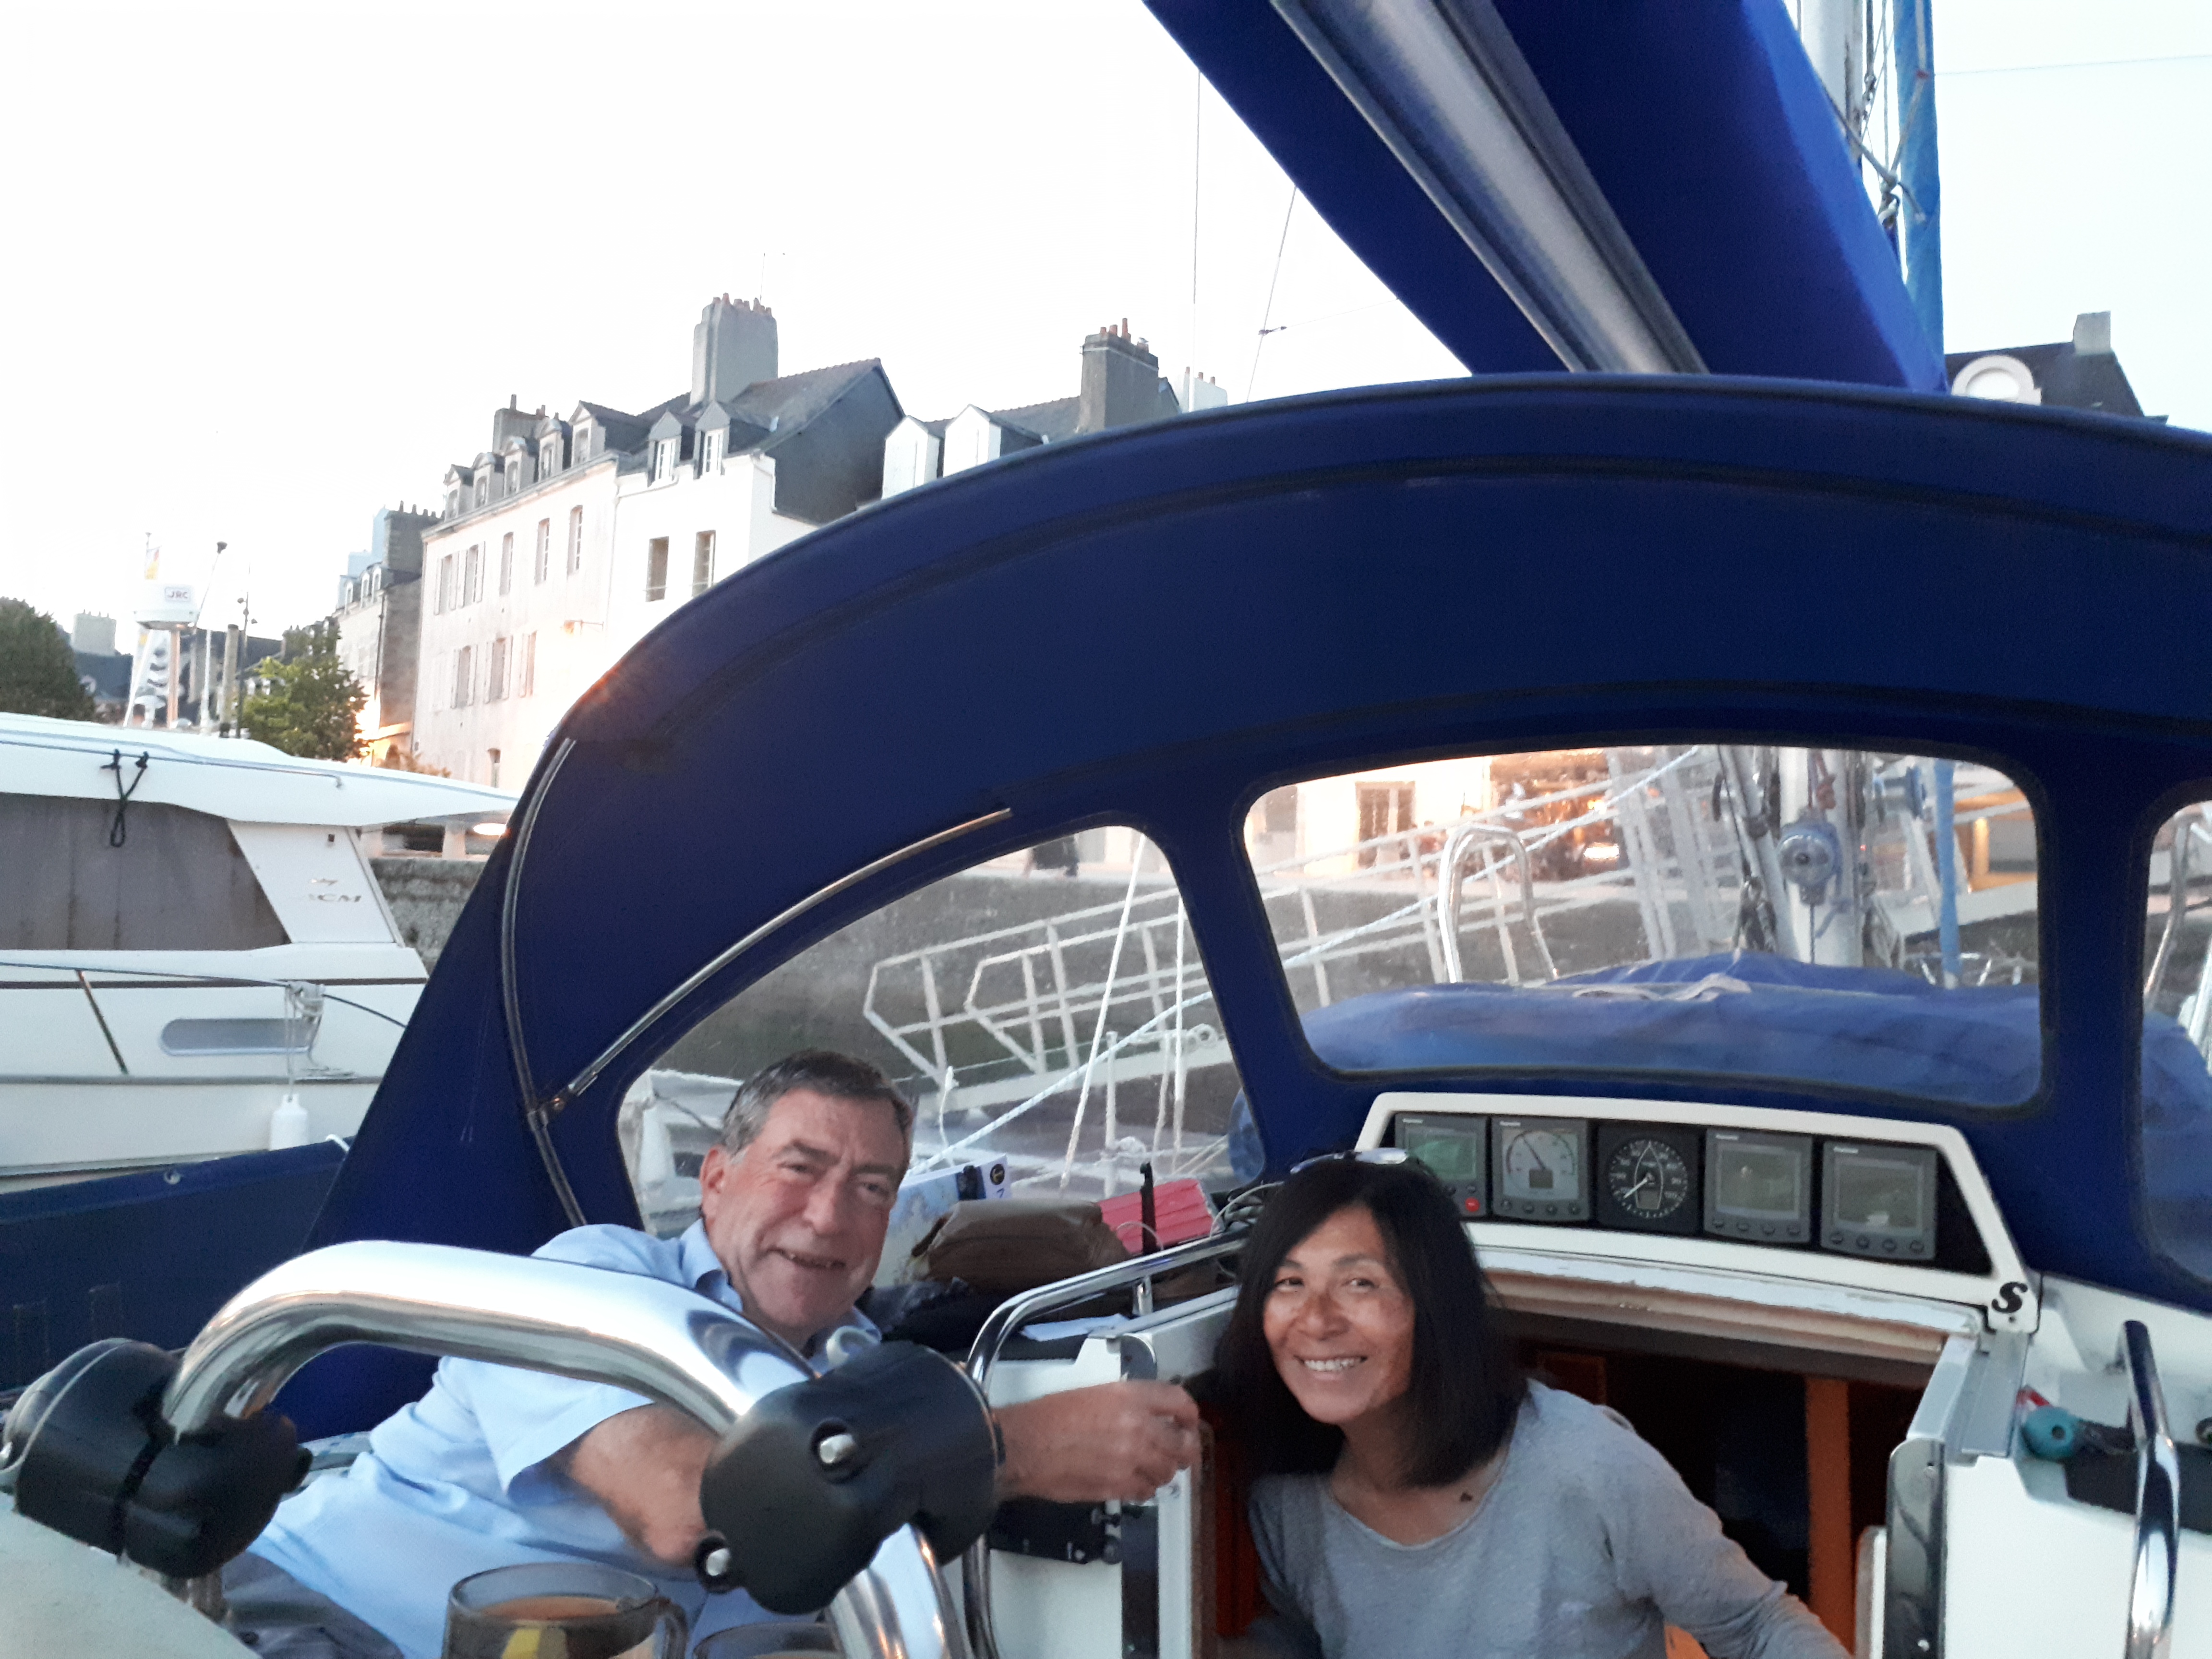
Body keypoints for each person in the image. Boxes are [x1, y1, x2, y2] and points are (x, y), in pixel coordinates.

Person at [234, 1051, 1201, 1659]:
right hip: (315, 1615)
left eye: (873, 1188)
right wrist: (1011, 1449)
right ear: (716, 1181)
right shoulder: (597, 1278)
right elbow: (675, 1505)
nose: (829, 1217)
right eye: (800, 1170)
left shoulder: (864, 1376)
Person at [1213, 1156, 1849, 1659]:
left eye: (1360, 1284)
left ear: (1433, 1306)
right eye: (1290, 1283)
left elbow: (1757, 1627)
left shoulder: (1587, 1464)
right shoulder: (1286, 1506)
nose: (1316, 1320)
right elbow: (1302, 1641)